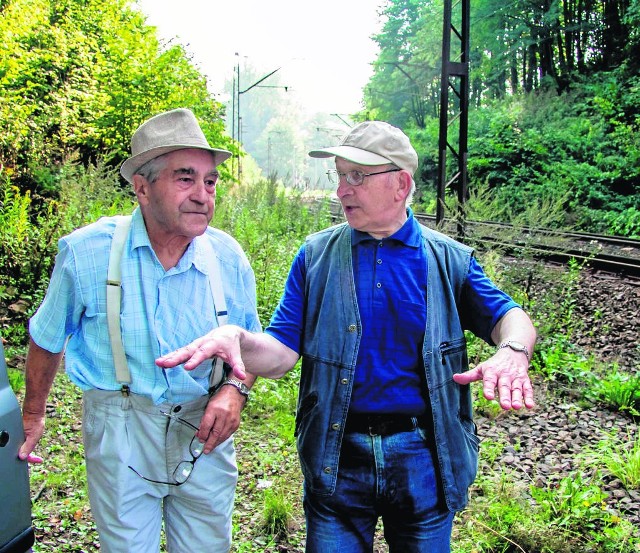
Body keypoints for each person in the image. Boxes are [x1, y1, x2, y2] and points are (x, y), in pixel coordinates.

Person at [156, 121, 536, 552]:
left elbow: (512, 318)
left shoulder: (448, 260)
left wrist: (513, 351)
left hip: (425, 457)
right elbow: (281, 353)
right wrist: (239, 340)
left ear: (401, 184)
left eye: (356, 176)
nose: (341, 190)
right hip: (336, 454)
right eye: (339, 175)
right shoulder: (315, 256)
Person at [18, 108, 261, 553]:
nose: (203, 195)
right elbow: (46, 337)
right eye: (185, 178)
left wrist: (233, 393)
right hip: (119, 428)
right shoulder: (87, 252)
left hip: (203, 429)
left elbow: (248, 347)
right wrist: (33, 415)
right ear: (142, 188)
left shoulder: (227, 257)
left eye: (209, 182)